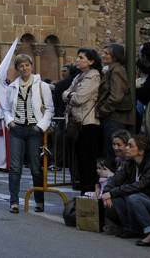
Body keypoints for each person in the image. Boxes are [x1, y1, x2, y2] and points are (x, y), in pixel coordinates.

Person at [3, 53, 54, 213]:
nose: (24, 68)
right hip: (17, 129)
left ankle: (39, 200)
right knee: (15, 166)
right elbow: (5, 108)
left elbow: (49, 109)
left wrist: (40, 127)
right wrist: (10, 122)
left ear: (31, 66)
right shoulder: (12, 87)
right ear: (17, 69)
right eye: (21, 66)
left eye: (27, 65)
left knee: (35, 166)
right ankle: (14, 201)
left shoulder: (42, 86)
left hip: (34, 129)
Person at [101, 134, 150, 240]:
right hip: (135, 201)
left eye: (130, 146)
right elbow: (115, 179)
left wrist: (112, 192)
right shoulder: (129, 163)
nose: (126, 148)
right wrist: (107, 192)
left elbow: (140, 186)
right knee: (117, 198)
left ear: (141, 151)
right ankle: (131, 228)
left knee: (132, 196)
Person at [65, 49, 103, 194]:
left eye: (81, 57)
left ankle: (89, 194)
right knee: (80, 162)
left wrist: (69, 95)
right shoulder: (78, 77)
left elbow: (80, 98)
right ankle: (84, 194)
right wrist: (70, 95)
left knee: (87, 162)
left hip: (88, 122)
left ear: (91, 61)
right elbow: (67, 93)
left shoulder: (93, 77)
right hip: (77, 122)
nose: (77, 60)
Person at [98, 44, 134, 163]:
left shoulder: (117, 70)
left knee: (114, 151)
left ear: (115, 56)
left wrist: (103, 110)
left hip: (115, 117)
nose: (103, 55)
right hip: (112, 116)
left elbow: (116, 96)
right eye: (103, 53)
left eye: (107, 53)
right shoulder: (112, 70)